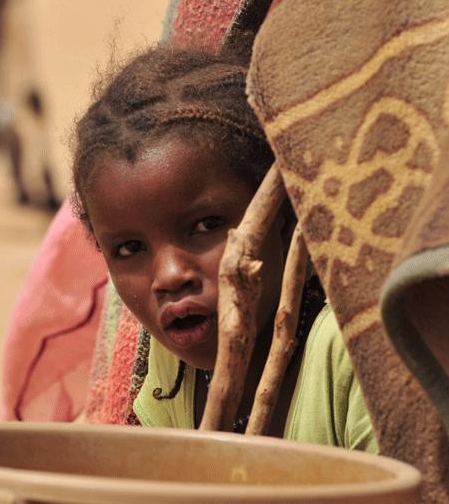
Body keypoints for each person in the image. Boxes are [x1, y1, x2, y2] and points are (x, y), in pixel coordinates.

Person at [71, 46, 377, 451]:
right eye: (129, 248)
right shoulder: (174, 366)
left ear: (281, 214)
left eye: (206, 226)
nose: (169, 277)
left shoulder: (351, 354)